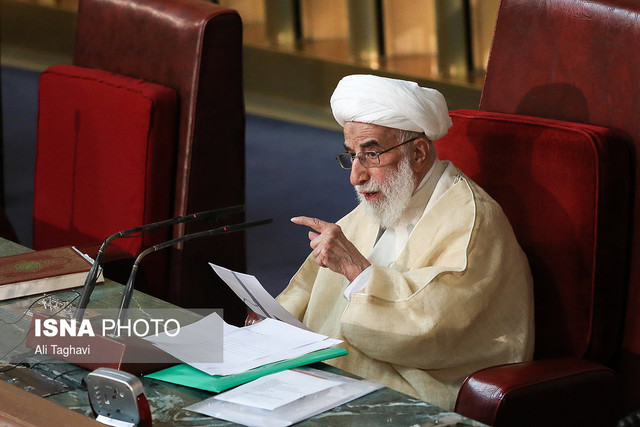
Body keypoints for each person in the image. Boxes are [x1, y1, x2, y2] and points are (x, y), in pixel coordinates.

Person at [276, 74, 535, 410]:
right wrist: (274, 322)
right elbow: (309, 295)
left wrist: (360, 273)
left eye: (371, 155)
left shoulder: (472, 222)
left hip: (415, 397)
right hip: (332, 380)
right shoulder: (382, 204)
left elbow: (433, 332)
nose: (356, 176)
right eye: (351, 155)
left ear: (418, 153)